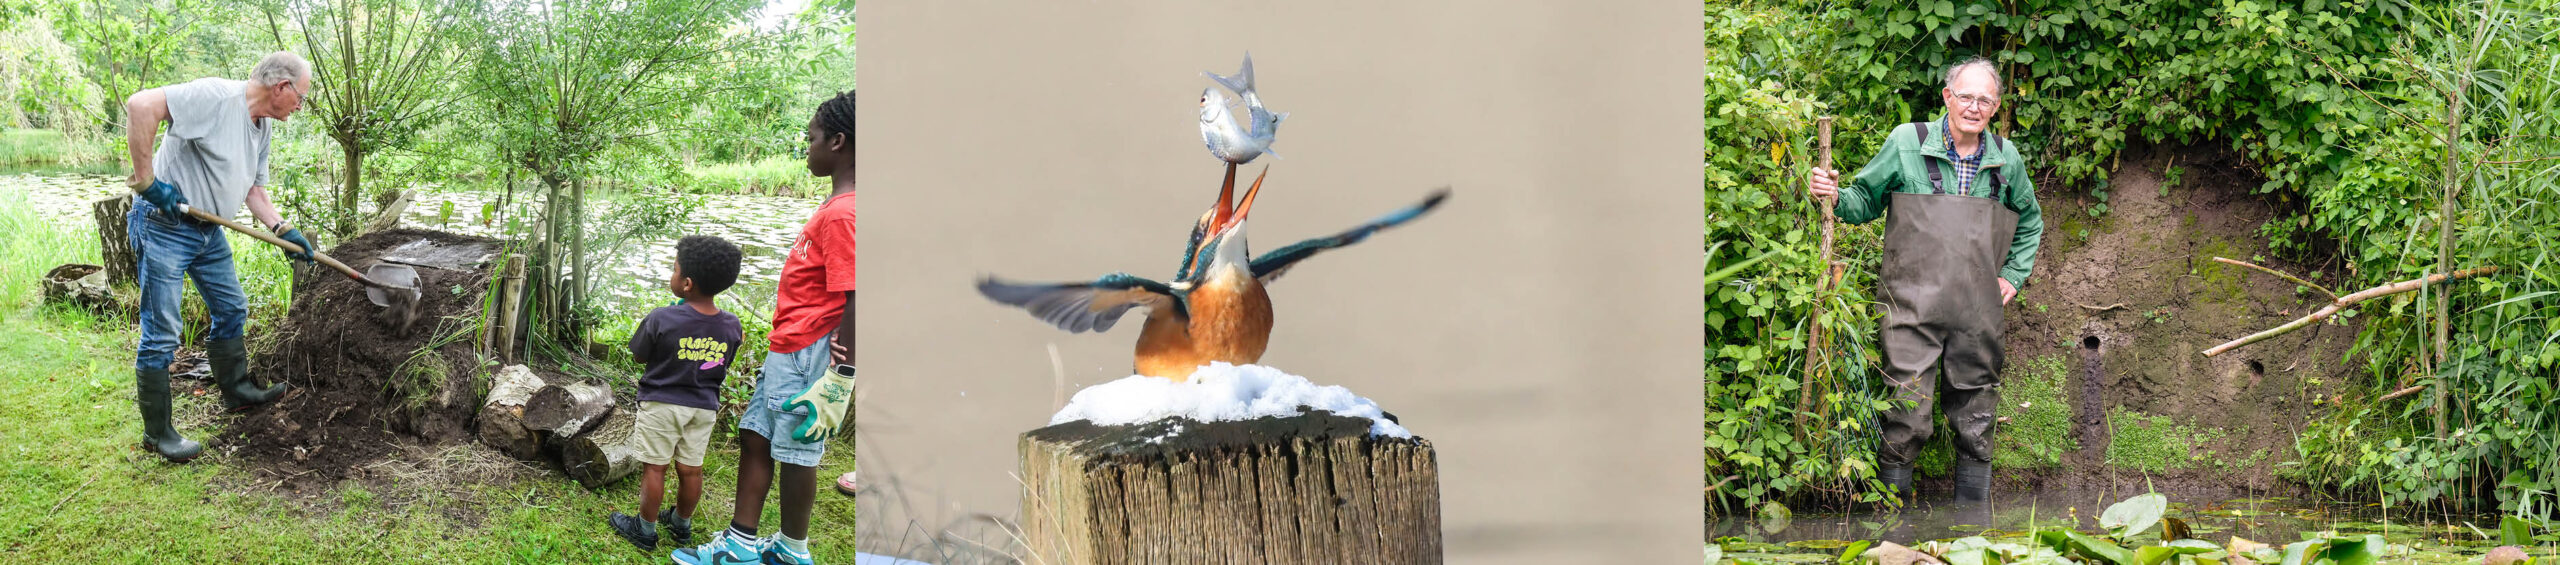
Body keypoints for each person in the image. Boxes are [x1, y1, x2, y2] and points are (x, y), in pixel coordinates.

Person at [1807, 56, 2044, 503]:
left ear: (1995, 107)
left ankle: (1972, 525)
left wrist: (2013, 274)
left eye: (1985, 100)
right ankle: (1891, 520)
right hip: (1908, 307)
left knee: (1976, 417)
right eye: (1966, 97)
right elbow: (1862, 202)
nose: (1974, 107)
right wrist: (1835, 194)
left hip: (1978, 311)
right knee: (1906, 412)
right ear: (1947, 98)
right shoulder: (1906, 142)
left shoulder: (2005, 158)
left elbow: (2030, 221)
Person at [674, 91, 856, 565]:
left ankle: (793, 550)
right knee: (756, 434)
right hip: (788, 344)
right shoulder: (837, 204)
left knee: (798, 449)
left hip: (806, 351)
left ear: (838, 141)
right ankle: (741, 541)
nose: (807, 147)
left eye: (812, 138)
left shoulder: (845, 212)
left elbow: (857, 291)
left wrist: (840, 379)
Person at [121, 51, 318, 463]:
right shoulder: (214, 97)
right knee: (162, 332)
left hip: (208, 231)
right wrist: (146, 182)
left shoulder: (261, 128)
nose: (300, 107)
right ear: (281, 87)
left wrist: (283, 229)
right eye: (300, 97)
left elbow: (253, 191)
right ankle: (158, 434)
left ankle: (236, 390)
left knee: (231, 308)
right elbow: (142, 105)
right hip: (164, 226)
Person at [609, 235, 746, 551]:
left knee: (655, 467)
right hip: (703, 408)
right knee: (691, 469)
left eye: (674, 270)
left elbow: (639, 356)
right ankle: (681, 525)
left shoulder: (662, 317)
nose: (671, 275)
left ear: (686, 283)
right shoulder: (732, 325)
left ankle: (644, 530)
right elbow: (721, 363)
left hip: (661, 405)